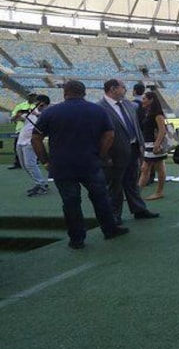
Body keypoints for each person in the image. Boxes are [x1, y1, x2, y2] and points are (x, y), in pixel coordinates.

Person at [31, 80, 129, 249]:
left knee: (70, 202)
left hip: (62, 165)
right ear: (84, 93)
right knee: (101, 198)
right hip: (90, 162)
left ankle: (77, 239)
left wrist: (45, 160)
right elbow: (110, 135)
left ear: (65, 93)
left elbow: (36, 138)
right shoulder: (97, 110)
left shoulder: (51, 112)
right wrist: (100, 154)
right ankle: (109, 229)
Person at [98, 79, 159, 224]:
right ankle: (115, 215)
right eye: (123, 87)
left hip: (133, 148)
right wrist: (104, 154)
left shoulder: (128, 104)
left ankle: (138, 209)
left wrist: (141, 144)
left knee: (132, 181)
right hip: (114, 152)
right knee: (115, 185)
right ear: (113, 89)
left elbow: (136, 125)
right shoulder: (100, 108)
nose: (125, 90)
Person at [17, 95, 51, 196]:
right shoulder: (31, 111)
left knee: (30, 164)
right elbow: (17, 118)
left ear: (43, 103)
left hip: (31, 142)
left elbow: (45, 127)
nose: (35, 104)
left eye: (38, 103)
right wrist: (20, 113)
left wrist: (37, 114)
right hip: (21, 140)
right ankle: (40, 183)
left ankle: (41, 185)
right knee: (24, 166)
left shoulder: (47, 113)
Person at [137, 91, 167, 200]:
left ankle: (158, 192)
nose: (142, 100)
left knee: (152, 168)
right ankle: (138, 193)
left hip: (155, 145)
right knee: (147, 168)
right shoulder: (148, 112)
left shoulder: (157, 114)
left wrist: (157, 144)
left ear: (151, 100)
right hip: (149, 144)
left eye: (144, 98)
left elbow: (162, 130)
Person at [9, 93, 38, 169]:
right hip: (20, 129)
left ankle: (34, 162)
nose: (32, 98)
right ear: (27, 97)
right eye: (31, 96)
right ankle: (18, 163)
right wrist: (20, 117)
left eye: (34, 96)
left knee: (34, 146)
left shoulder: (37, 106)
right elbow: (13, 117)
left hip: (33, 130)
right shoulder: (20, 106)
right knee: (17, 147)